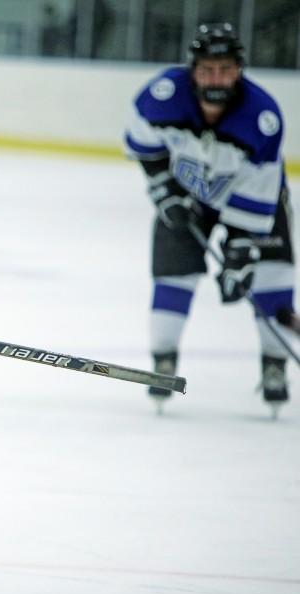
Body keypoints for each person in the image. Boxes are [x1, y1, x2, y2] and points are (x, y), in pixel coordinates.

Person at [124, 22, 296, 415]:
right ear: (192, 70)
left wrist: (242, 250)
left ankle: (274, 365)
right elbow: (143, 146)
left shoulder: (263, 116)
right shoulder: (163, 96)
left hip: (255, 201)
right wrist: (165, 193)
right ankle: (163, 361)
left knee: (272, 278)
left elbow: (261, 189)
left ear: (239, 70)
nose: (216, 77)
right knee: (173, 273)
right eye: (207, 69)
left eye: (225, 69)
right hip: (188, 196)